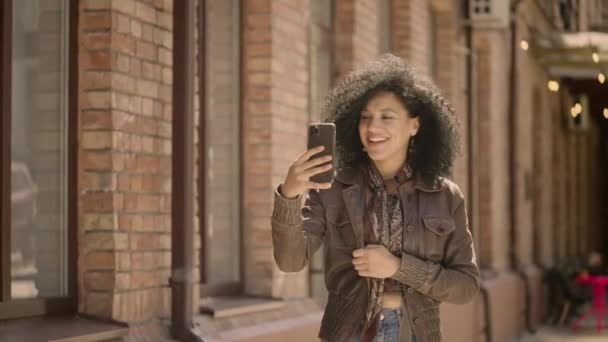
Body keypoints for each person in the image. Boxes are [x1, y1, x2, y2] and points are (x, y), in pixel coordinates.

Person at [271, 54, 480, 342]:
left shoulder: (445, 195)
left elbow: (466, 285)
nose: (372, 128)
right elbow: (290, 261)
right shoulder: (333, 188)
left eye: (387, 117)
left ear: (415, 126)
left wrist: (398, 267)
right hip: (346, 334)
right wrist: (290, 195)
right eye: (365, 118)